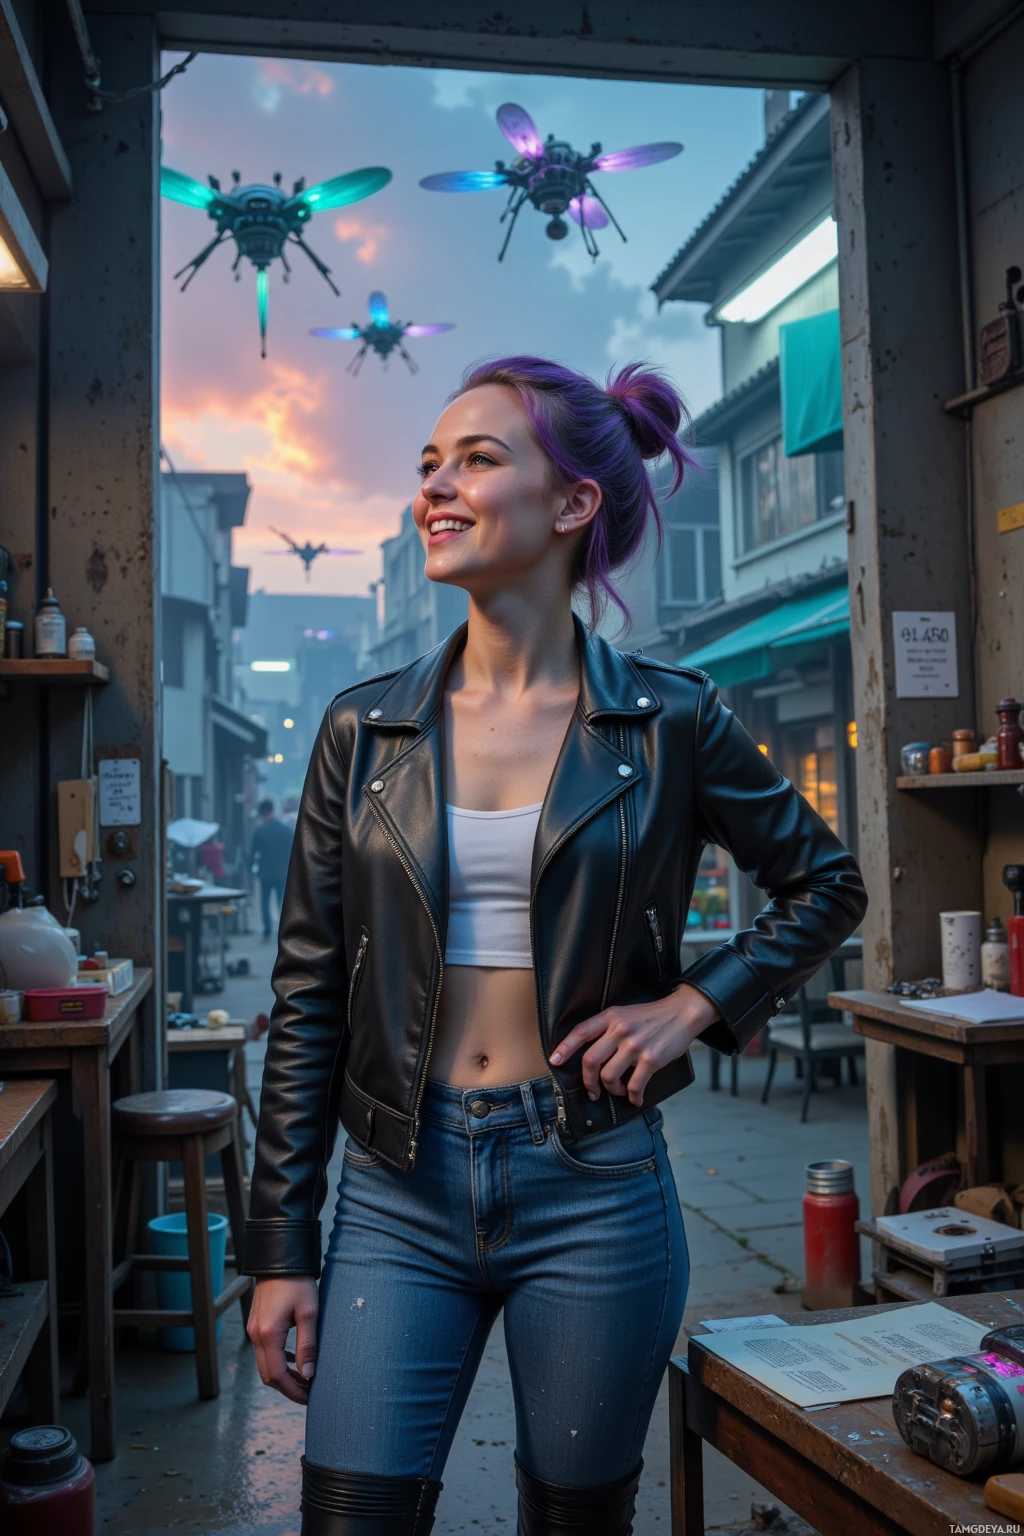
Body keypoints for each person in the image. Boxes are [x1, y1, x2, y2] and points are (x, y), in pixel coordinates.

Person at [243, 357, 867, 1536]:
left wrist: (692, 1003)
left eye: (478, 458)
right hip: (395, 1186)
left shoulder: (671, 720)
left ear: (574, 503)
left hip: (592, 1181)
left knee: (573, 1523)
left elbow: (825, 881)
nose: (436, 484)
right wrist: (280, 1244)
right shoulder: (362, 732)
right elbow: (309, 990)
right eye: (428, 463)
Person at [250, 798, 293, 940]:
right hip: (282, 871)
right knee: (283, 901)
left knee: (265, 902)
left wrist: (251, 868)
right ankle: (284, 927)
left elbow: (253, 853)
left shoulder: (259, 831)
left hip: (265, 873)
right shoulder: (286, 830)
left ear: (262, 812)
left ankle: (268, 929)